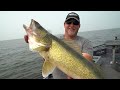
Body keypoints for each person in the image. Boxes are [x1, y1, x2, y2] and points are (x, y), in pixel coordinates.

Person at [24, 12, 93, 79]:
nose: (71, 25)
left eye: (75, 23)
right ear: (64, 24)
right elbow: (47, 59)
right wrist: (34, 41)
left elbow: (88, 59)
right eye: (69, 22)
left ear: (79, 26)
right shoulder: (56, 40)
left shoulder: (85, 42)